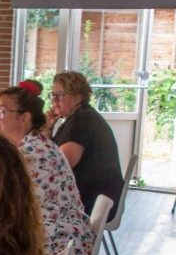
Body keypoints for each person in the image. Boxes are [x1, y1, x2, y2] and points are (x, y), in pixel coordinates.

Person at [0, 79, 94, 255]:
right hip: (66, 252)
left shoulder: (30, 156)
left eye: (2, 112)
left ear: (24, 118)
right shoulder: (39, 144)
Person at [47, 70, 123, 220]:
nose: (54, 100)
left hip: (90, 202)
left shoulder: (82, 120)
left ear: (78, 95)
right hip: (95, 198)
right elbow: (50, 155)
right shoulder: (77, 117)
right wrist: (48, 128)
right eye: (53, 94)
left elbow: (59, 165)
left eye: (60, 95)